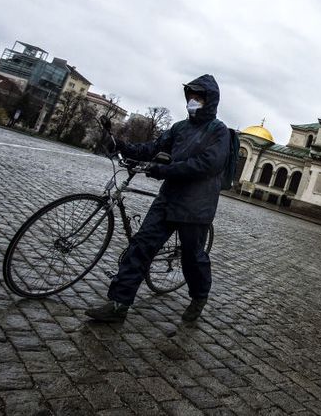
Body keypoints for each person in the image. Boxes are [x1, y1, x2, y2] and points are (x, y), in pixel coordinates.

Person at [85, 74, 230, 323]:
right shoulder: (180, 128)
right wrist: (121, 145)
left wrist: (166, 170)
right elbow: (152, 148)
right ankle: (119, 304)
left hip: (196, 206)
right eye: (190, 96)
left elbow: (207, 164)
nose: (192, 101)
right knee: (141, 246)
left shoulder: (219, 131)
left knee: (192, 257)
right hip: (169, 198)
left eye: (198, 97)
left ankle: (199, 296)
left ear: (209, 101)